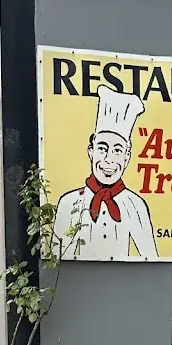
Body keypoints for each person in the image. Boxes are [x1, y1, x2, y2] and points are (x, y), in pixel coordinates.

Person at [53, 85, 157, 260]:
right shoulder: (68, 203)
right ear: (91, 151)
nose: (109, 159)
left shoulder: (135, 206)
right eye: (102, 148)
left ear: (127, 157)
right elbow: (57, 262)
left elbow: (151, 259)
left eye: (117, 150)